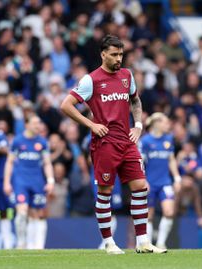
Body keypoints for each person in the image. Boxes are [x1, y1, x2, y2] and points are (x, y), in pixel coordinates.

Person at [61, 35, 166, 254]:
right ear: (103, 54)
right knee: (106, 191)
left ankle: (143, 242)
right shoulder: (91, 80)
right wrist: (91, 124)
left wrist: (137, 125)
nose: (119, 58)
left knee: (140, 187)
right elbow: (66, 105)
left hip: (127, 142)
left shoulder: (127, 75)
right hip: (105, 143)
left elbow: (135, 100)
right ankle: (109, 243)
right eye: (115, 54)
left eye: (121, 54)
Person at [4, 115, 55, 249]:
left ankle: (37, 246)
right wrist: (6, 182)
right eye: (35, 123)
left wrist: (50, 181)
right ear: (26, 125)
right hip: (20, 181)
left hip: (37, 181)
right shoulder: (17, 141)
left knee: (37, 213)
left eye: (39, 123)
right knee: (22, 211)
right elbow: (9, 162)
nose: (38, 126)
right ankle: (21, 243)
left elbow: (47, 163)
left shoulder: (42, 142)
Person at [139, 112, 182, 249]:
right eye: (165, 122)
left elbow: (171, 160)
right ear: (156, 123)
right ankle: (148, 244)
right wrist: (142, 180)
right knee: (149, 215)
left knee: (169, 212)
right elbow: (140, 162)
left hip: (165, 182)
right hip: (149, 183)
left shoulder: (168, 140)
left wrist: (176, 178)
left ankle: (161, 243)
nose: (167, 125)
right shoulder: (145, 141)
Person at [0, 120, 14, 249]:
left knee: (11, 209)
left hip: (9, 179)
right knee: (0, 210)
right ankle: (5, 242)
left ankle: (10, 241)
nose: (1, 128)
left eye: (3, 125)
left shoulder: (10, 139)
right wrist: (5, 149)